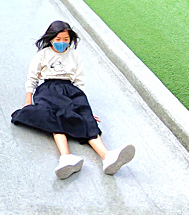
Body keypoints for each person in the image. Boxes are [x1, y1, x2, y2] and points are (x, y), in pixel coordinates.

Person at [11, 20, 136, 179]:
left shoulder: (75, 55)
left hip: (71, 90)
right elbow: (32, 78)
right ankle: (66, 157)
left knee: (86, 118)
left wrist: (86, 109)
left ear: (71, 39)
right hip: (48, 89)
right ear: (51, 39)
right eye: (58, 39)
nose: (62, 43)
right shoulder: (42, 55)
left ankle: (107, 156)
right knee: (56, 117)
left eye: (66, 39)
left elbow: (79, 81)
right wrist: (28, 100)